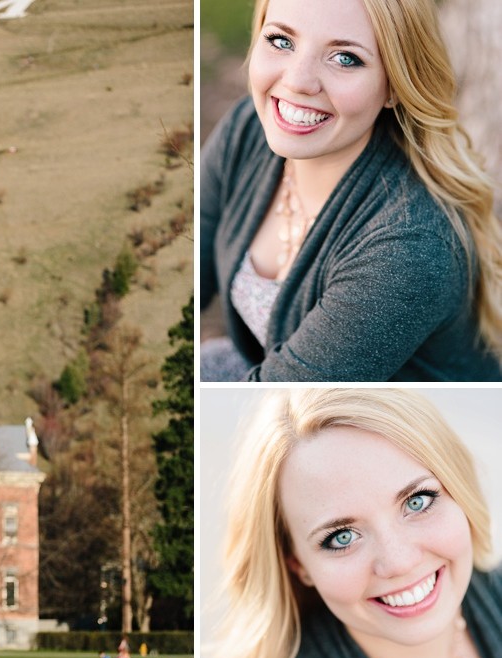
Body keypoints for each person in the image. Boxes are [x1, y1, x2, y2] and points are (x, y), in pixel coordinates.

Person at [200, 388, 502, 658]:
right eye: (342, 536)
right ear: (298, 564)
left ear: (458, 490)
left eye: (418, 500)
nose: (397, 562)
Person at [200, 0, 502, 381]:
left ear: (394, 86)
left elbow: (276, 404)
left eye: (345, 58)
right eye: (280, 40)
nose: (297, 81)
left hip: (382, 429)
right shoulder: (246, 130)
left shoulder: (409, 246)